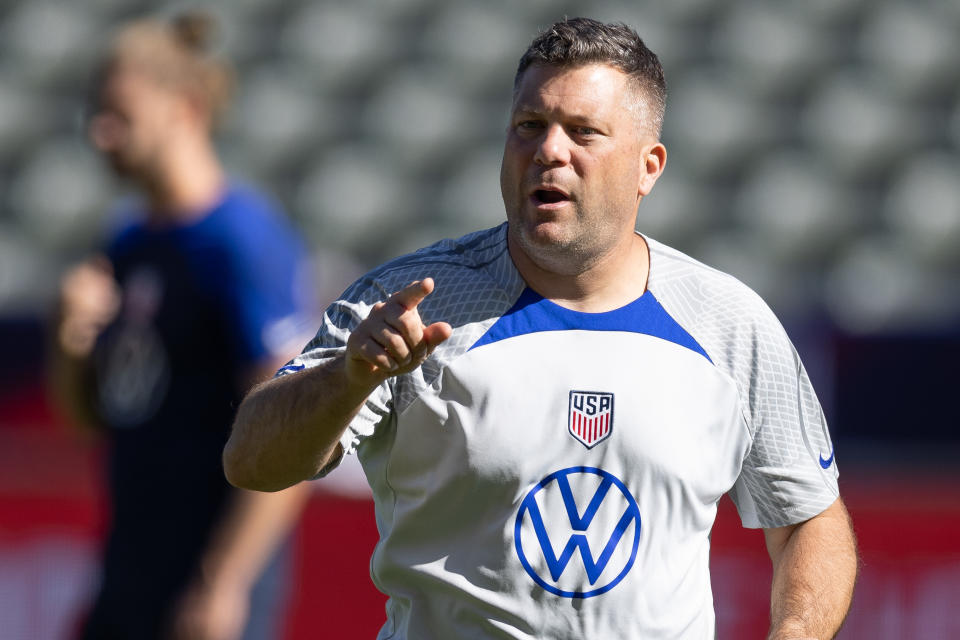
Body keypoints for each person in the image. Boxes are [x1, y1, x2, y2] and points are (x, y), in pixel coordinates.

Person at [224, 17, 858, 640]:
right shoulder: (409, 303)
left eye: (583, 132)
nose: (550, 150)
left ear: (649, 166)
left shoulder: (729, 323)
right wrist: (347, 377)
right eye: (530, 126)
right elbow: (252, 460)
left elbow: (809, 521)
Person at [50, 12, 314, 640]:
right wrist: (68, 341)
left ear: (184, 107)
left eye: (118, 113)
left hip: (203, 587)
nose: (99, 133)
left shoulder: (241, 242)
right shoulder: (126, 242)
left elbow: (293, 435)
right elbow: (88, 418)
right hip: (127, 577)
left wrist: (222, 582)